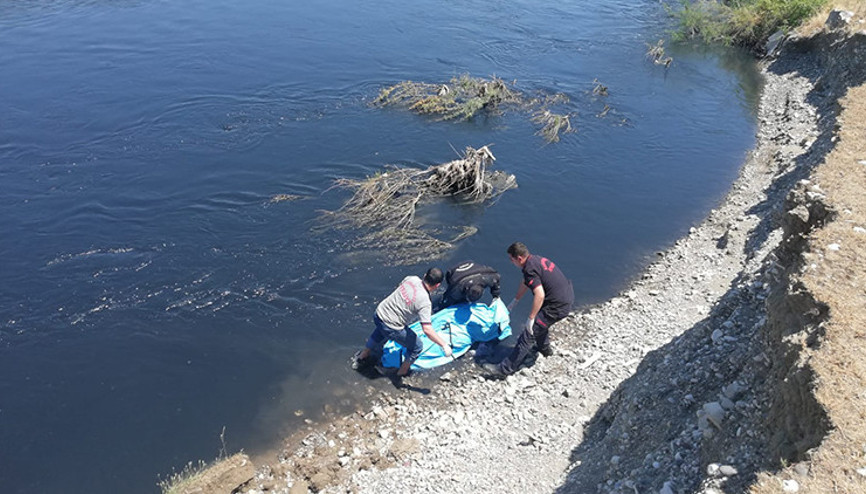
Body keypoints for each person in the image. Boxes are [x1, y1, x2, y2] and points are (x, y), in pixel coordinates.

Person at [483, 242, 574, 377]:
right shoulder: (534, 261)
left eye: (511, 259)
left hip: (557, 306)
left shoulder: (529, 269)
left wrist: (531, 318)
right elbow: (526, 281)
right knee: (541, 323)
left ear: (519, 258)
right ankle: (545, 349)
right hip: (564, 295)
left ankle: (504, 370)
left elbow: (540, 294)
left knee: (528, 334)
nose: (510, 261)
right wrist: (516, 300)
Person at [352, 268, 453, 377]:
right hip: (391, 325)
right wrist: (443, 345)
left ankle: (363, 356)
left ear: (424, 276)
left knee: (381, 330)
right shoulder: (425, 302)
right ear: (437, 285)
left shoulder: (411, 279)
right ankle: (402, 372)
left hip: (379, 313)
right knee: (417, 347)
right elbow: (427, 329)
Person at [437, 260, 502, 309]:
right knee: (455, 300)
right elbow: (447, 299)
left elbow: (496, 278)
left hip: (472, 266)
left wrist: (496, 297)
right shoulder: (457, 290)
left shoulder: (488, 278)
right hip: (455, 272)